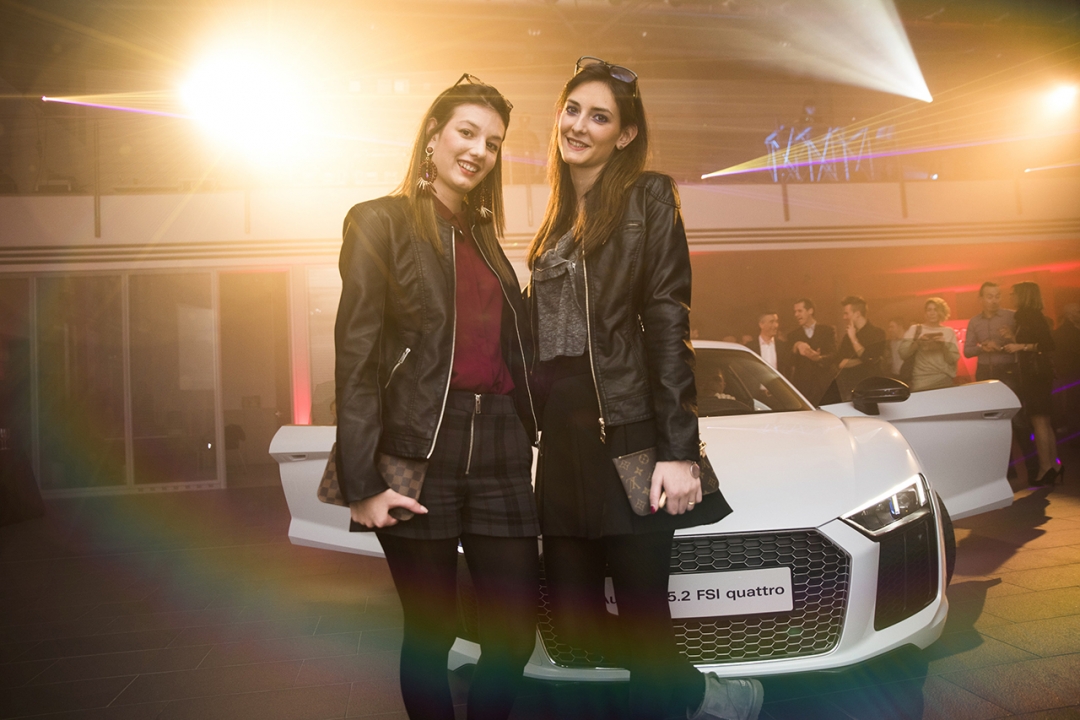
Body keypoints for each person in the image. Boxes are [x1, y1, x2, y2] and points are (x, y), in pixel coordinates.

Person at [526, 57, 762, 720]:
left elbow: (665, 320)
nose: (579, 125)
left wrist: (679, 450)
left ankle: (690, 698)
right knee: (572, 617)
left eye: (599, 116)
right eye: (572, 109)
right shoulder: (555, 219)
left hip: (626, 432)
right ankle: (699, 695)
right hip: (564, 445)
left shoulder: (647, 196)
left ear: (625, 134)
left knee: (642, 615)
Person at [336, 75, 539, 720]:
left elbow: (512, 350)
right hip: (420, 442)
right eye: (467, 132)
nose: (480, 150)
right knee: (432, 632)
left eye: (494, 142)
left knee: (514, 634)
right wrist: (362, 481)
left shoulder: (485, 238)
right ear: (433, 135)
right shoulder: (379, 221)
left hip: (501, 444)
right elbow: (357, 356)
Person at [1003, 282, 1061, 486]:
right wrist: (1014, 339)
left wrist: (1019, 345)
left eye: (1013, 293)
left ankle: (1045, 467)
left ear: (1023, 296)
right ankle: (1053, 465)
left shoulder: (1029, 316)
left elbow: (1047, 344)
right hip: (1040, 374)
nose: (1011, 297)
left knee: (1038, 420)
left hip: (1034, 375)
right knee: (1044, 420)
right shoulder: (1033, 315)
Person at [821, 296, 887, 404]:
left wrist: (853, 339)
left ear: (857, 314)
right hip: (850, 390)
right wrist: (863, 360)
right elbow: (840, 363)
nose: (844, 317)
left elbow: (871, 358)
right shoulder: (847, 337)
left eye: (846, 313)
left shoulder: (877, 333)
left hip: (871, 389)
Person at [898, 298, 961, 391]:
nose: (932, 313)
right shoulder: (915, 329)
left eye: (936, 309)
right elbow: (903, 354)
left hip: (944, 377)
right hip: (921, 379)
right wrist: (918, 343)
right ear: (925, 313)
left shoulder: (949, 332)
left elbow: (952, 359)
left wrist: (943, 346)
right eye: (929, 310)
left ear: (942, 312)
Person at [964, 282, 1018, 385]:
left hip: (1009, 368)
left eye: (997, 297)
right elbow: (967, 351)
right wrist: (982, 348)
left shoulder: (1012, 317)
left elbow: (1026, 343)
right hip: (984, 370)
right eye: (990, 297)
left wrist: (1012, 337)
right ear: (980, 299)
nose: (994, 301)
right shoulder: (974, 321)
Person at [789, 298, 837, 404]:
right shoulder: (793, 335)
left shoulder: (827, 331)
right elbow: (787, 361)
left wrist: (819, 358)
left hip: (824, 388)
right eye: (795, 312)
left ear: (810, 311)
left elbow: (834, 355)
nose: (796, 315)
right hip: (803, 390)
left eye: (799, 311)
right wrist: (796, 346)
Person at [1052, 303, 1080, 437]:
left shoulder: (1061, 332)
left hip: (1069, 373)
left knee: (1072, 405)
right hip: (1073, 373)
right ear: (1070, 315)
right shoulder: (1066, 332)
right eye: (1078, 311)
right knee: (1074, 405)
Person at [747, 311, 792, 379]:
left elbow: (787, 372)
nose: (775, 325)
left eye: (776, 321)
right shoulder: (750, 348)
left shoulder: (783, 347)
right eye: (771, 322)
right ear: (761, 324)